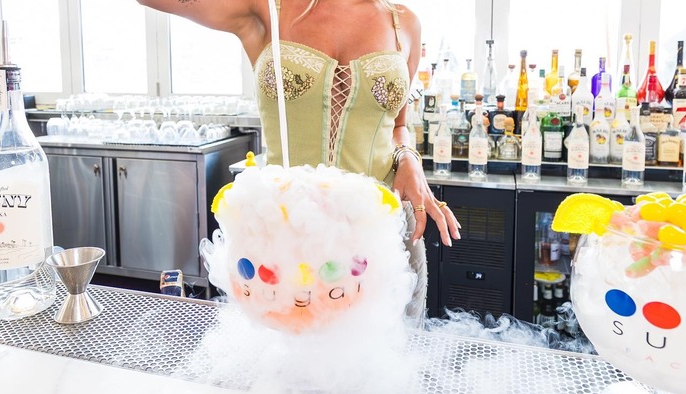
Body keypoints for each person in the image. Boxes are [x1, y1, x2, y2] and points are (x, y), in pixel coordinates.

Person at [137, 0, 461, 322]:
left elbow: (399, 126)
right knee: (285, 350)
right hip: (286, 241)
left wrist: (409, 159)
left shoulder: (403, 22)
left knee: (385, 350)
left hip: (380, 238)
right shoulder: (267, 8)